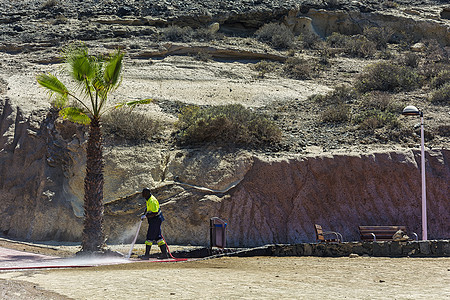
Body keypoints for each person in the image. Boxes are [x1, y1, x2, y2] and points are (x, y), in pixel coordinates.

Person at [138, 188, 169, 259]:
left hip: (155, 220)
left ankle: (146, 255)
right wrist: (145, 212)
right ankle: (165, 255)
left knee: (149, 237)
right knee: (158, 237)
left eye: (144, 193)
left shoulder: (152, 200)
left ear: (148, 193)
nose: (142, 194)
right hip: (154, 220)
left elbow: (155, 212)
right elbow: (148, 208)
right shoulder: (148, 199)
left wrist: (146, 216)